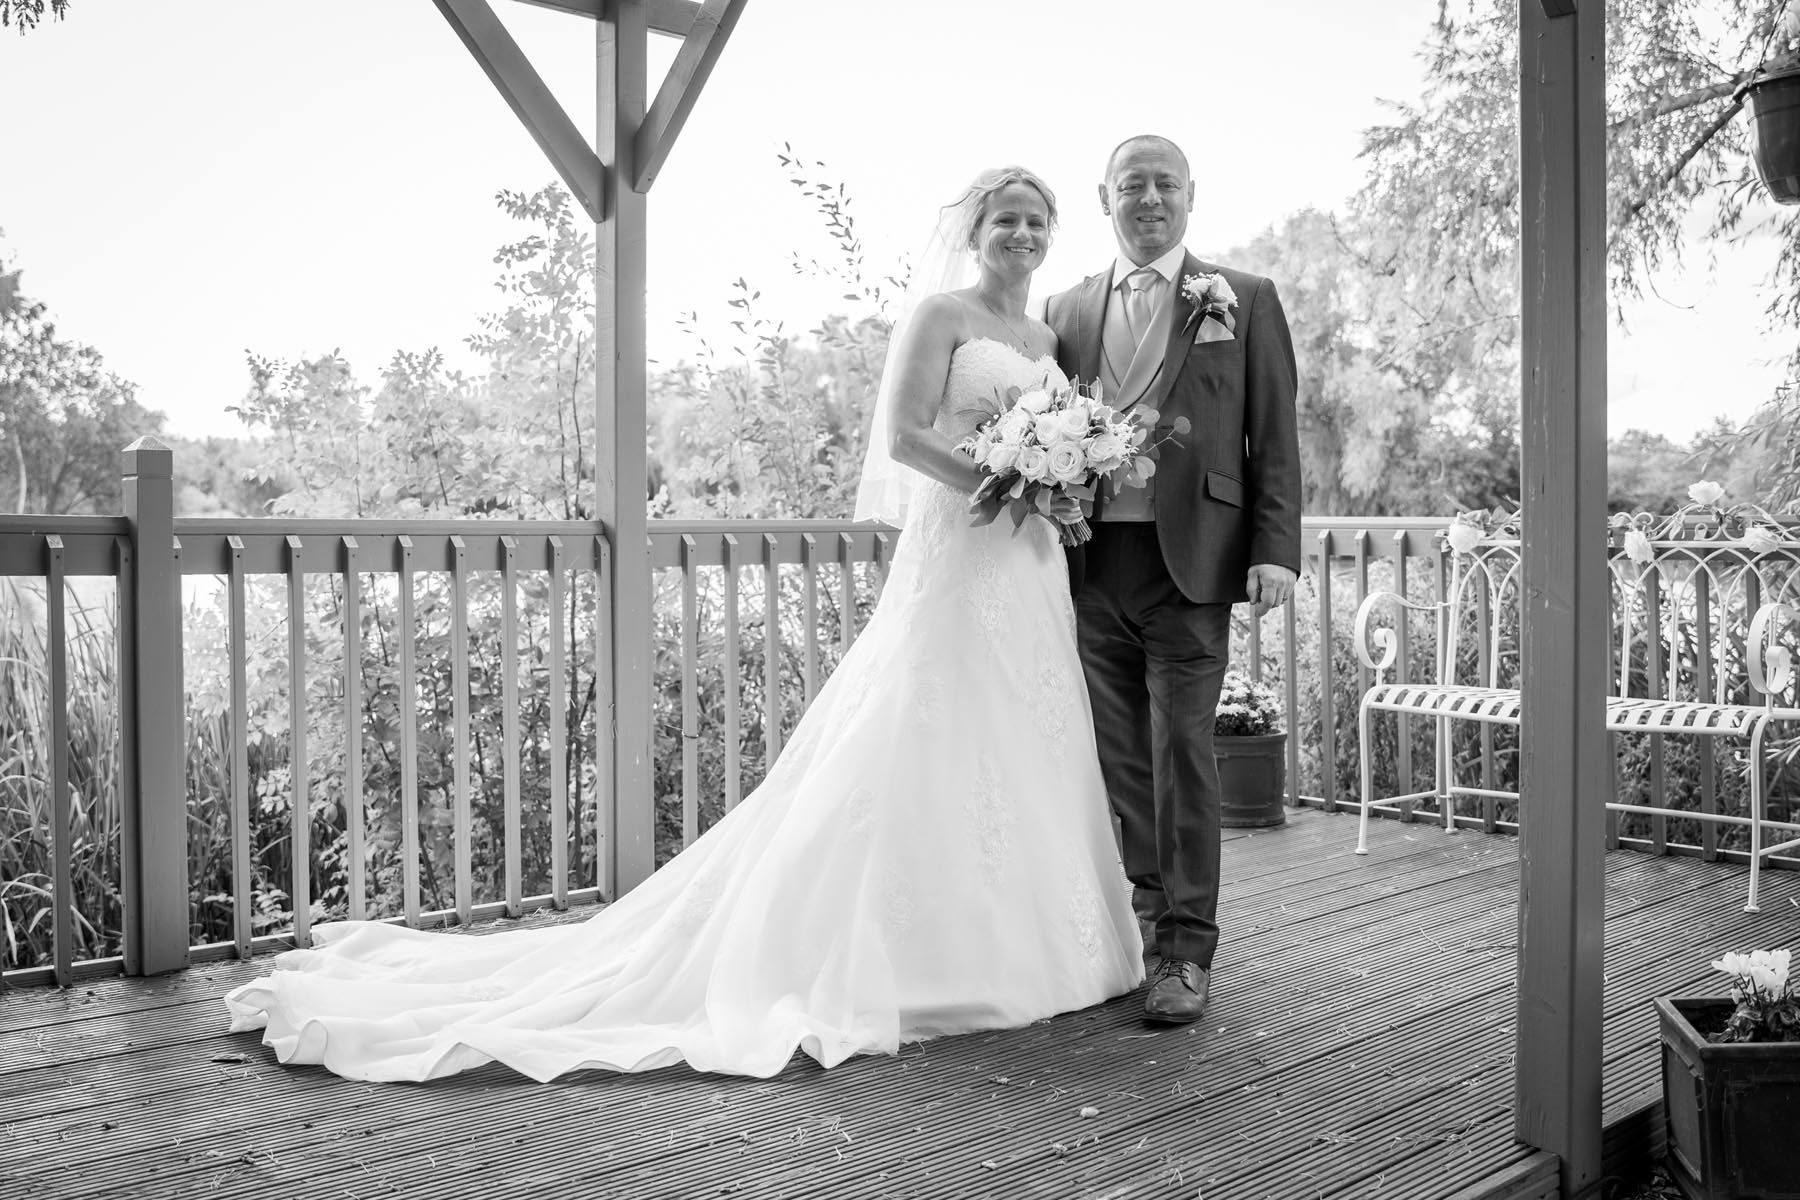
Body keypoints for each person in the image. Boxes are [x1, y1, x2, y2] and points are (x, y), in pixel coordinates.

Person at [222, 166, 1142, 1083]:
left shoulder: (1046, 333)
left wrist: (1053, 477)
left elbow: (1058, 432)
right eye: (1004, 220)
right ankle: (900, 953)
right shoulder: (942, 316)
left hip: (1028, 560)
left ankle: (1017, 941)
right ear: (975, 230)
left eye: (1034, 221)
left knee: (1020, 732)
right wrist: (1002, 476)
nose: (1019, 234)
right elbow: (903, 437)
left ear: (1050, 233)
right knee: (923, 723)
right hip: (963, 542)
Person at [1044, 135, 1302, 1025]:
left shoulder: (1245, 299)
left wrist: (1275, 548)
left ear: (1191, 195)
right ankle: (1146, 928)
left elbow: (1273, 436)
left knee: (1183, 751)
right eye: (1130, 184)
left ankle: (1189, 952)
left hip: (1192, 563)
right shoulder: (1064, 307)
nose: (1147, 197)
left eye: (1164, 183)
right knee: (1119, 758)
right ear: (1104, 196)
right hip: (1087, 561)